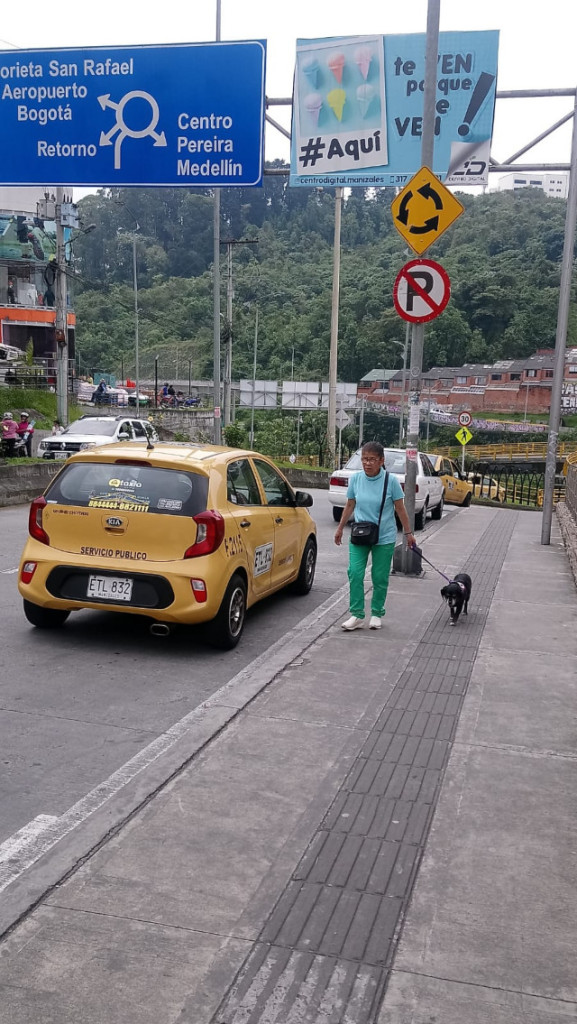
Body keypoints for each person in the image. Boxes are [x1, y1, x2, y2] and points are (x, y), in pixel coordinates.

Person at [334, 441, 416, 631]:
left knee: (379, 577)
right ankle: (357, 614)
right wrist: (339, 528)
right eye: (364, 459)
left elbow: (400, 509)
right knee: (354, 573)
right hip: (360, 535)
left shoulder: (391, 481)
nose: (367, 463)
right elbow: (350, 505)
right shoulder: (356, 479)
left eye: (371, 459)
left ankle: (377, 612)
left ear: (381, 461)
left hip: (384, 536)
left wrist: (408, 533)